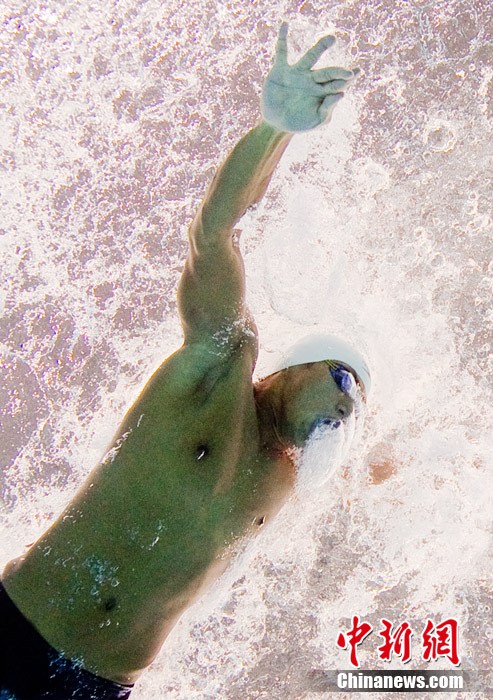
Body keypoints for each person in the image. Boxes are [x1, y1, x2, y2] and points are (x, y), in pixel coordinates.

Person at [0, 23, 369, 699]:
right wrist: (272, 130)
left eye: (357, 403)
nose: (348, 404)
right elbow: (212, 232)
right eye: (343, 379)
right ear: (294, 367)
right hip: (20, 630)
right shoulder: (219, 365)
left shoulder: (285, 479)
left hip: (97, 686)